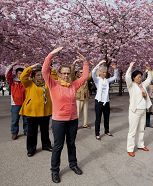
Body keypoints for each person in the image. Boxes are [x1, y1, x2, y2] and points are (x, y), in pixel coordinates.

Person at [42, 47, 89, 183]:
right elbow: (45, 71)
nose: (67, 75)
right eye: (64, 73)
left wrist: (85, 62)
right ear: (60, 74)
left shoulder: (74, 85)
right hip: (59, 121)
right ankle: (54, 170)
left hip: (73, 120)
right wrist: (51, 55)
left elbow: (85, 76)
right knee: (58, 146)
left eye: (69, 73)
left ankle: (73, 164)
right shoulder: (53, 84)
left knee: (71, 143)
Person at [19, 63, 52, 157]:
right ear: (33, 77)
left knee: (45, 131)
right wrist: (31, 68)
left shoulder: (47, 83)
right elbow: (22, 77)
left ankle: (46, 145)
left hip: (45, 112)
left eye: (41, 74)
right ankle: (31, 149)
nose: (40, 77)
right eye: (38, 75)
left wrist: (49, 67)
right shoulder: (29, 83)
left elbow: (54, 76)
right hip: (32, 112)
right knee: (31, 132)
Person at [125, 62, 153, 157]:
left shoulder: (143, 85)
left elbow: (149, 79)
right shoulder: (131, 85)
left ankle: (141, 144)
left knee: (141, 129)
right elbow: (127, 77)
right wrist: (130, 67)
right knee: (132, 131)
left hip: (143, 110)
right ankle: (130, 148)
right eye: (137, 76)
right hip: (135, 111)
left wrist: (149, 70)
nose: (139, 78)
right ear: (134, 78)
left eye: (140, 76)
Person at [91, 60, 118, 140]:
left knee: (106, 117)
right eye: (102, 72)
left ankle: (107, 131)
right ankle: (97, 133)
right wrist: (99, 64)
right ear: (99, 72)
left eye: (105, 72)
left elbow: (115, 77)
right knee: (98, 118)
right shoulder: (97, 80)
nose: (104, 73)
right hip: (98, 102)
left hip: (106, 102)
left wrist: (115, 69)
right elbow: (93, 72)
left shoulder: (107, 80)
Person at [5, 62, 28, 140]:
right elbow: (8, 75)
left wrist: (27, 68)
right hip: (15, 104)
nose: (20, 75)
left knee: (26, 119)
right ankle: (14, 133)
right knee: (15, 119)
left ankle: (26, 131)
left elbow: (31, 75)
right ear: (16, 74)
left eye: (22, 73)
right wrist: (12, 66)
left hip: (25, 103)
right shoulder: (12, 81)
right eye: (19, 73)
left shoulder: (25, 81)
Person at [71, 61, 91, 128]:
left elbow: (90, 74)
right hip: (78, 98)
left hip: (85, 97)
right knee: (78, 113)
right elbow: (71, 74)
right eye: (81, 72)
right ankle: (75, 125)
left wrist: (94, 66)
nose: (82, 73)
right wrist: (73, 64)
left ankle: (85, 124)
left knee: (86, 112)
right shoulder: (75, 79)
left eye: (83, 72)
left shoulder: (86, 79)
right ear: (78, 73)